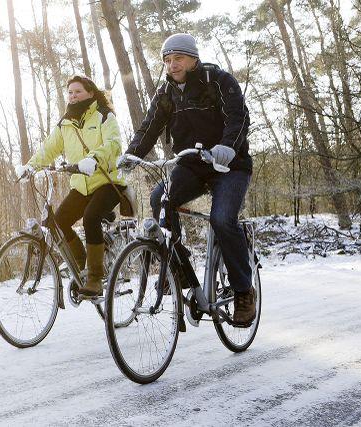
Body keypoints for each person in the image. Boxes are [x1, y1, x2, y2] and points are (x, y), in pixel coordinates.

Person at [122, 33, 256, 325]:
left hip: (230, 165)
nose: (172, 65)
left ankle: (244, 290)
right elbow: (149, 128)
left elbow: (239, 117)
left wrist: (227, 148)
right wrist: (131, 155)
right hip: (192, 166)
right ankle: (177, 269)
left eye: (178, 58)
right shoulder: (166, 93)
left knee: (222, 219)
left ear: (193, 58)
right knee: (160, 198)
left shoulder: (218, 81)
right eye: (167, 60)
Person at [17, 76, 124, 297]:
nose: (73, 96)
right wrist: (30, 167)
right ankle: (79, 260)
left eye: (78, 92)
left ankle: (95, 278)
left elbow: (113, 144)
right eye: (70, 93)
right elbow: (49, 149)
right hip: (82, 186)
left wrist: (94, 159)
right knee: (57, 222)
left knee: (91, 217)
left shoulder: (104, 115)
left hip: (108, 182)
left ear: (91, 93)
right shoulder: (65, 123)